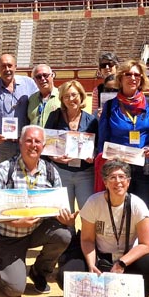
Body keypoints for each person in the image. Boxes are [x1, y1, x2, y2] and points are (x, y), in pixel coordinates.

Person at [0, 125, 76, 297]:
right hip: (9, 236)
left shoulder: (50, 171)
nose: (33, 145)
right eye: (28, 140)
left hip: (35, 231)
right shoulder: (5, 169)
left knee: (64, 235)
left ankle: (39, 271)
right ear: (20, 143)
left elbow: (59, 206)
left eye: (37, 141)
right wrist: (15, 222)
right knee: (15, 290)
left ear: (43, 146)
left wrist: (66, 219)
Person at [57, 160, 149, 297]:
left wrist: (122, 263)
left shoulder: (138, 205)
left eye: (122, 177)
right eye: (112, 177)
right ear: (105, 182)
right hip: (100, 256)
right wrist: (91, 265)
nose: (118, 181)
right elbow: (87, 239)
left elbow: (147, 244)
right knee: (65, 276)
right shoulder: (93, 202)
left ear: (128, 181)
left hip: (127, 260)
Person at [98, 60, 149, 245]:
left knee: (146, 211)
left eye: (137, 74)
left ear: (141, 79)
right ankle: (120, 250)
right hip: (119, 170)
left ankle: (147, 251)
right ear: (120, 78)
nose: (133, 78)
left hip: (145, 168)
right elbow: (103, 139)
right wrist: (107, 157)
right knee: (120, 212)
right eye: (128, 74)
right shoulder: (110, 106)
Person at [43, 80, 97, 211]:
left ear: (81, 96)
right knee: (65, 212)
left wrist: (93, 156)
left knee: (88, 212)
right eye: (66, 96)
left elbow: (97, 146)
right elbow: (46, 144)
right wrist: (54, 158)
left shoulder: (91, 120)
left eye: (74, 95)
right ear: (62, 99)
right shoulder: (55, 116)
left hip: (85, 173)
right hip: (61, 172)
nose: (71, 99)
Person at [0, 53, 38, 168]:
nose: (7, 69)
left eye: (10, 65)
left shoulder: (29, 84)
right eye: (3, 66)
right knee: (1, 176)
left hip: (25, 143)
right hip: (1, 145)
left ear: (15, 67)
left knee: (26, 176)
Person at [15, 63, 61, 129]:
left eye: (45, 75)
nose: (42, 79)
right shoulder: (31, 99)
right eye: (38, 77)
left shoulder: (61, 96)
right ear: (34, 80)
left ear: (52, 76)